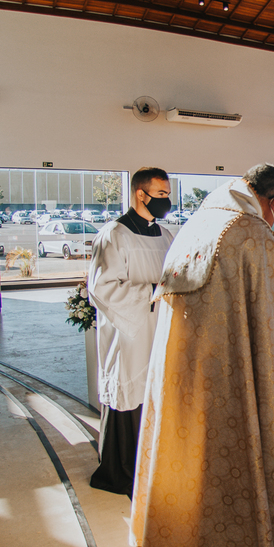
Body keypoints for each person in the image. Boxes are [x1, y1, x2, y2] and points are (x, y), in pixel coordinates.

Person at [131, 164, 274, 547]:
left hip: (182, 371)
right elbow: (270, 319)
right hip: (226, 376)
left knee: (190, 458)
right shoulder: (253, 232)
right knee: (219, 458)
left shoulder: (200, 221)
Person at [86, 167, 175, 496]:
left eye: (167, 194)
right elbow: (102, 288)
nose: (167, 201)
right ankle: (121, 471)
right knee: (130, 392)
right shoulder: (114, 235)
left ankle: (152, 466)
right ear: (141, 194)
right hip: (130, 332)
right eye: (161, 195)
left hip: (159, 330)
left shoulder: (165, 236)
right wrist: (151, 290)